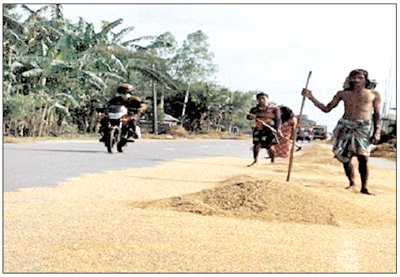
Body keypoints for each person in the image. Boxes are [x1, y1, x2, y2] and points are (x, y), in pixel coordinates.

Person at [302, 69, 381, 195]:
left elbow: (377, 115)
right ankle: (352, 183)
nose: (356, 80)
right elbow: (327, 109)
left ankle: (364, 187)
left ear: (366, 79)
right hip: (345, 126)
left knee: (363, 157)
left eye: (360, 78)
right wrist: (311, 97)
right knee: (345, 157)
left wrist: (377, 132)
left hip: (363, 128)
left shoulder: (373, 94)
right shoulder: (343, 94)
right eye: (353, 78)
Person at [247, 92, 283, 167]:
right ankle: (255, 160)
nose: (261, 100)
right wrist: (251, 117)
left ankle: (272, 162)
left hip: (270, 129)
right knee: (257, 145)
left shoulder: (274, 108)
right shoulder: (255, 109)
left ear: (267, 99)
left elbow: (278, 120)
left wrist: (278, 129)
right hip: (259, 128)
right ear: (257, 100)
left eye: (263, 98)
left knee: (270, 146)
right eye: (259, 99)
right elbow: (248, 117)